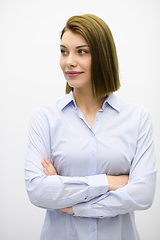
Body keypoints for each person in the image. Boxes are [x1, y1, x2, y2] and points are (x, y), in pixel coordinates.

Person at [25, 14, 157, 240]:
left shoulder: (138, 119)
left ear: (103, 57)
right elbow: (38, 191)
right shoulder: (44, 118)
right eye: (64, 51)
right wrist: (110, 182)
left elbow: (143, 195)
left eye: (82, 51)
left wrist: (72, 202)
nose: (69, 61)